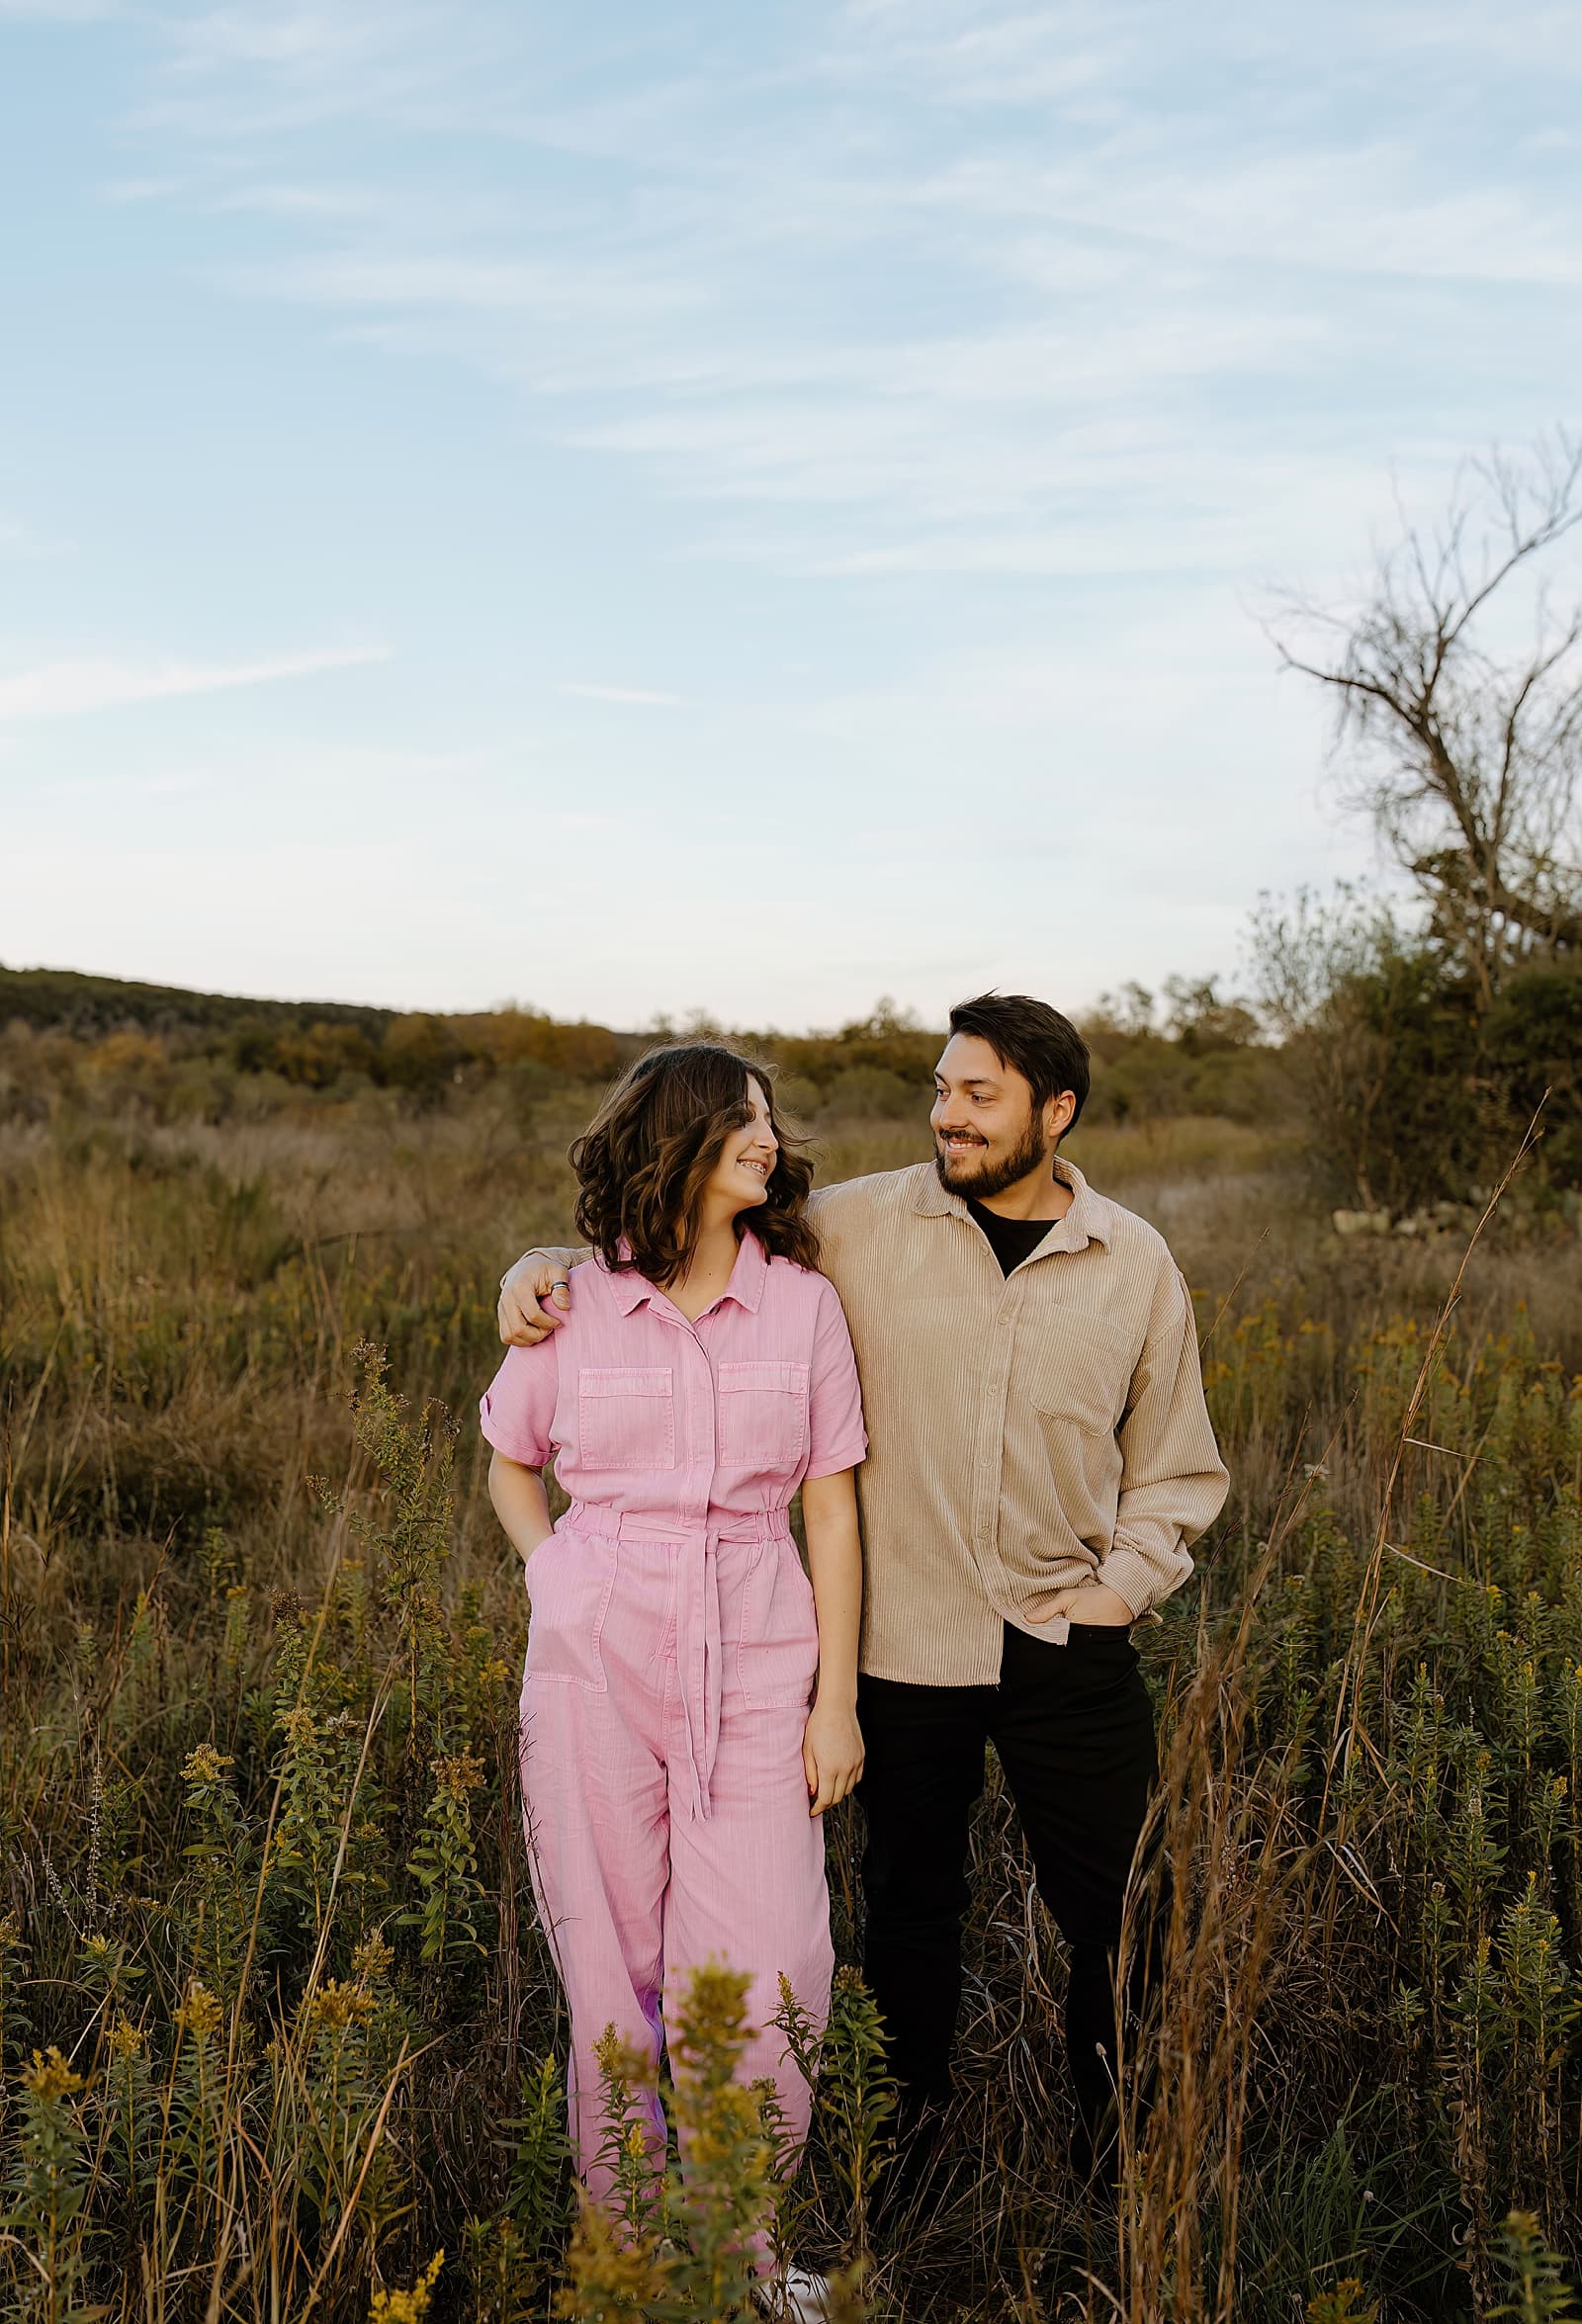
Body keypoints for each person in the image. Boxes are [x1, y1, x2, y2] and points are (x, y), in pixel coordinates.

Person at [498, 993, 1228, 2195]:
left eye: (977, 1095)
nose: (947, 1113)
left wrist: (1123, 1590)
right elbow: (674, 1234)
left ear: (1057, 1111)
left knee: (1124, 1912)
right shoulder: (852, 1227)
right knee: (906, 1922)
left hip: (1067, 1635)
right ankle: (905, 2170)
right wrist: (541, 1269)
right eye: (940, 1088)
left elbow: (1177, 1460)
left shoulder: (1133, 1259)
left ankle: (1122, 2172)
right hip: (905, 1643)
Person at [481, 1043, 866, 2311]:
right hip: (595, 1652)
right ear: (680, 1141)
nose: (766, 1134)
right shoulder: (573, 1303)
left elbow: (833, 1507)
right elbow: (509, 1458)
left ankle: (741, 2257)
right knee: (612, 1966)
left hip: (758, 1645)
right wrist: (555, 1577)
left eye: (768, 1116)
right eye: (740, 1117)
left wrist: (838, 1700)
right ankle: (639, 2262)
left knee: (768, 1963)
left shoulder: (801, 1303)